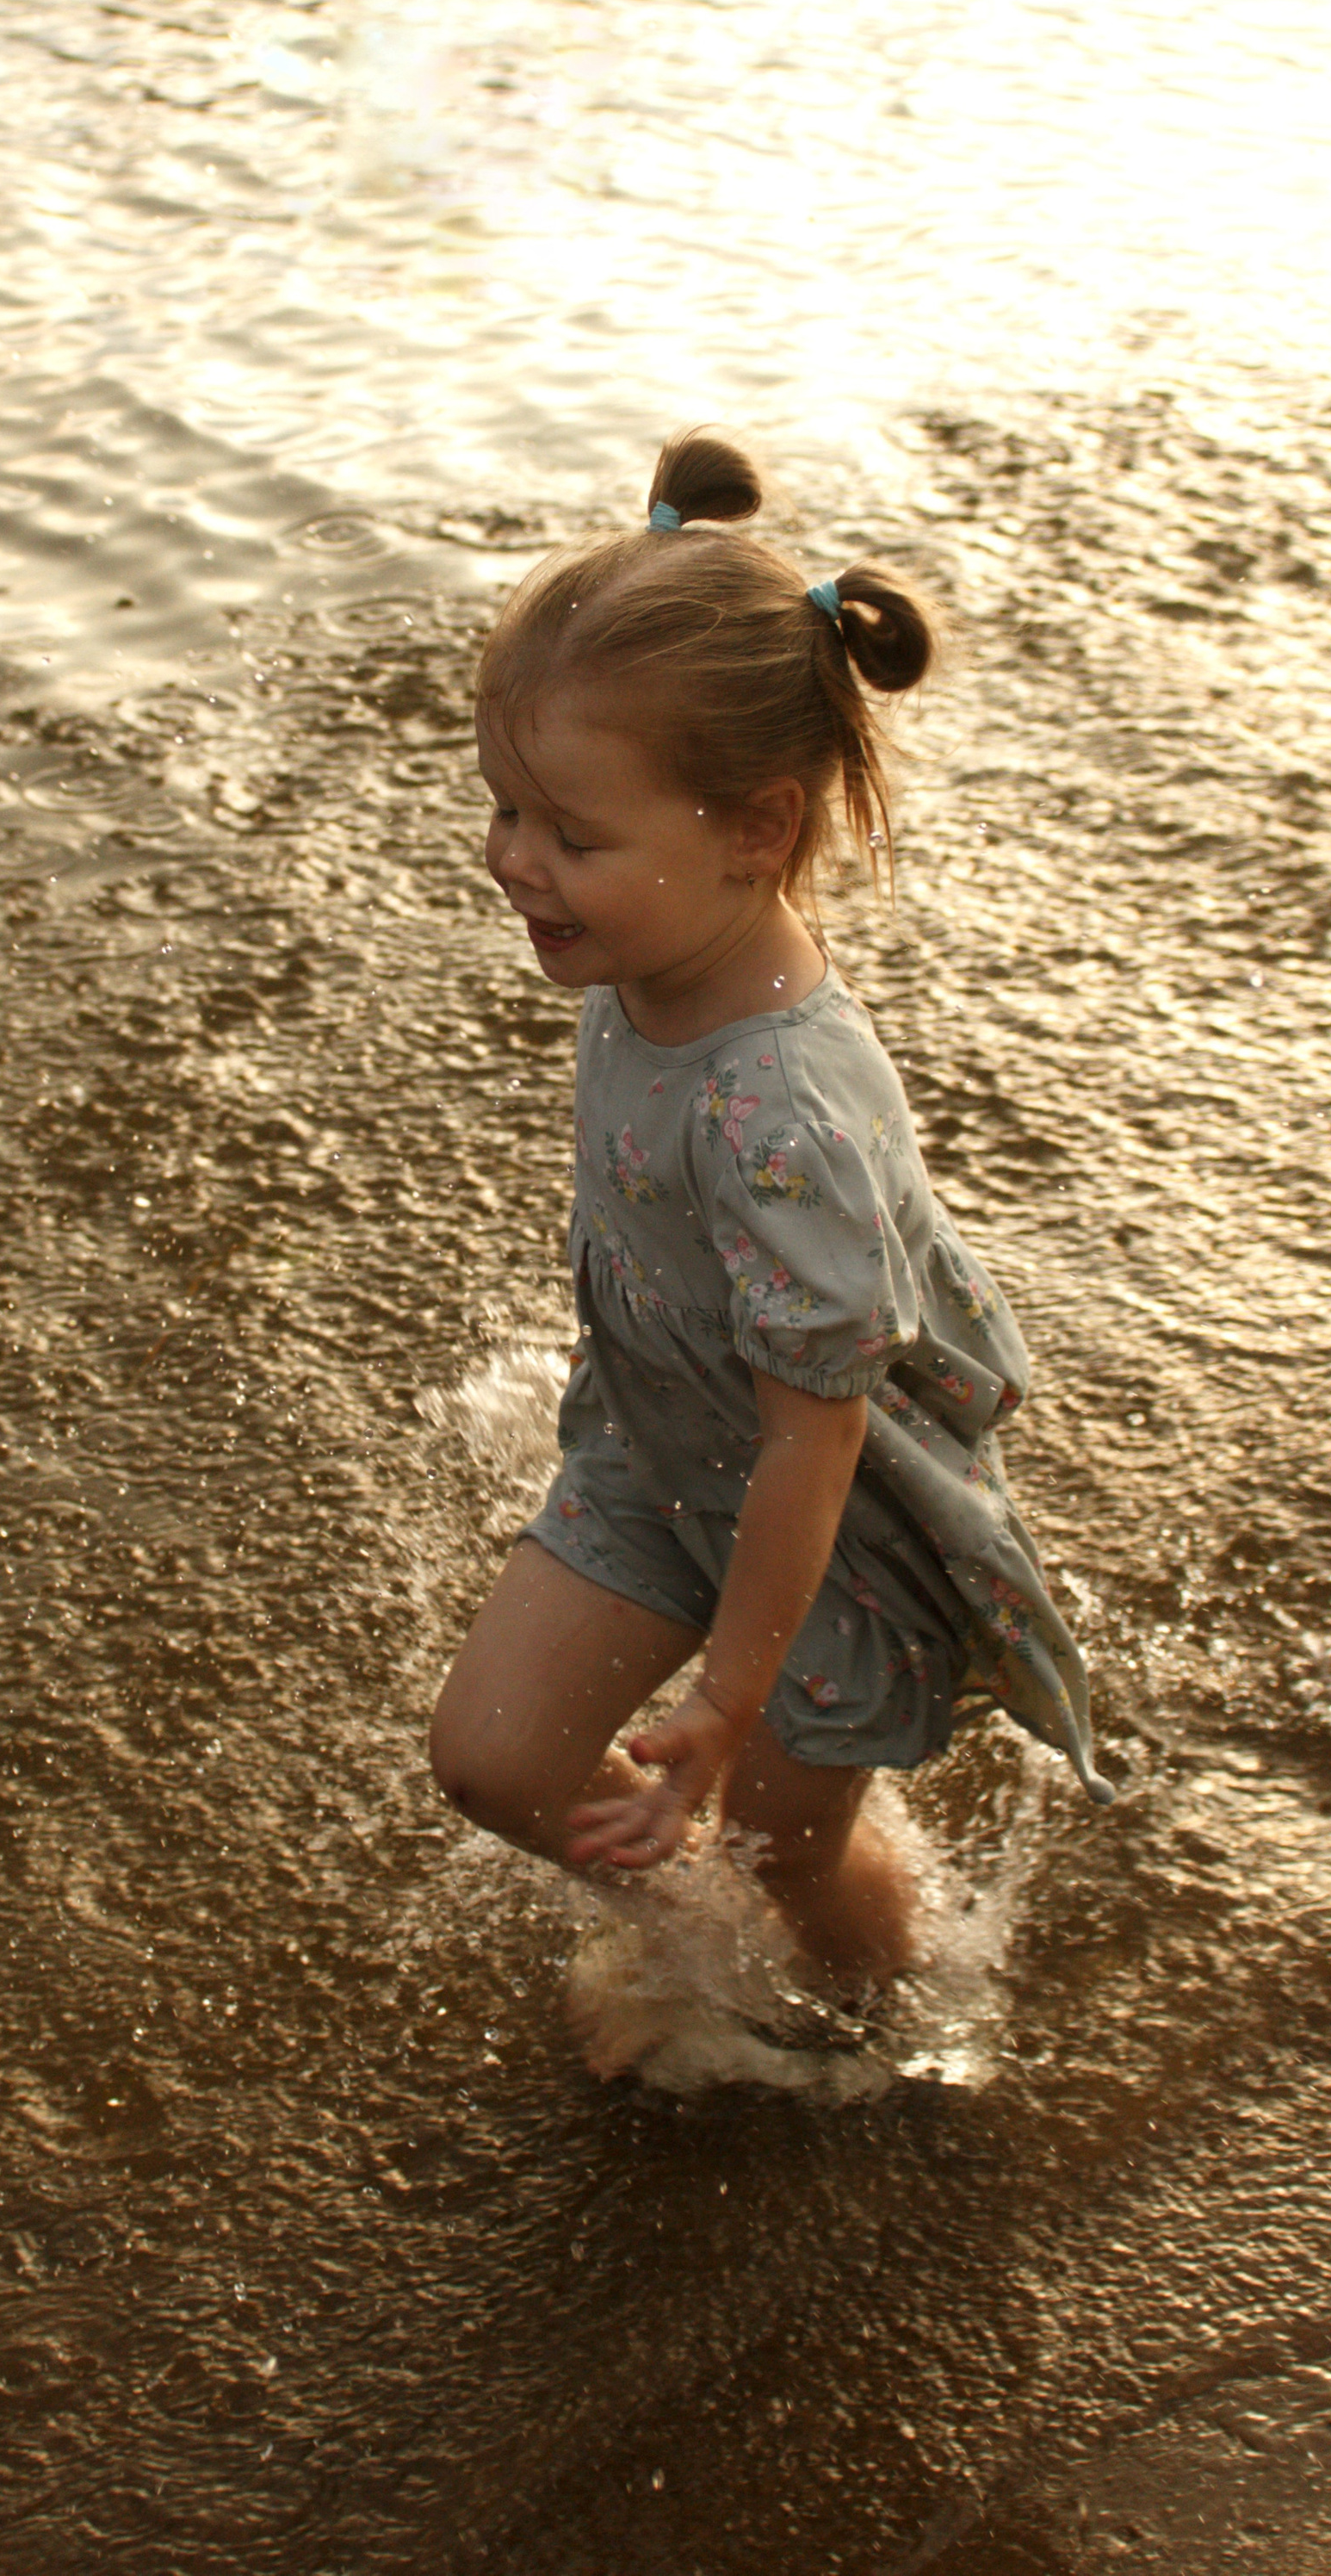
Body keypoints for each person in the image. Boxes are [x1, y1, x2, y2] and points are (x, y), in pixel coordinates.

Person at [430, 426, 1109, 2005]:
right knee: (493, 1756)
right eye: (506, 809)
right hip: (657, 1448)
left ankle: (899, 2027)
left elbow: (817, 1442)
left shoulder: (779, 1112)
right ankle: (700, 1960)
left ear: (756, 830)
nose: (512, 863)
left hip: (825, 1535)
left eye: (569, 836)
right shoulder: (648, 954)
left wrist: (729, 1704)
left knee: (794, 1847)